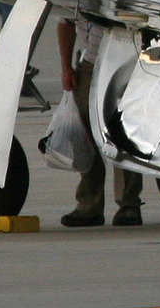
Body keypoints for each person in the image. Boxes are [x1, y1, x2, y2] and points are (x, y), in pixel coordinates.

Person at [58, 17, 142, 228]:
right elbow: (66, 22)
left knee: (122, 133)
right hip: (89, 62)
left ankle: (129, 204)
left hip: (121, 60)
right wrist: (66, 68)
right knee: (84, 135)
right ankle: (89, 204)